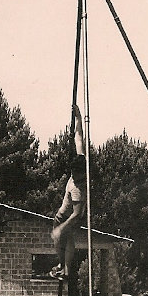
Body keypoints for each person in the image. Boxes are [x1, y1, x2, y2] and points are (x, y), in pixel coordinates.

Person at [49, 104, 88, 281]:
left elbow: (77, 214)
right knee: (62, 240)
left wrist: (62, 228)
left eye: (76, 174)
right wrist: (79, 118)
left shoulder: (79, 189)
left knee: (62, 238)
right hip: (62, 215)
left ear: (82, 173)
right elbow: (78, 138)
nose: (73, 176)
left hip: (69, 217)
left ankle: (64, 269)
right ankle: (62, 266)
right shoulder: (81, 160)